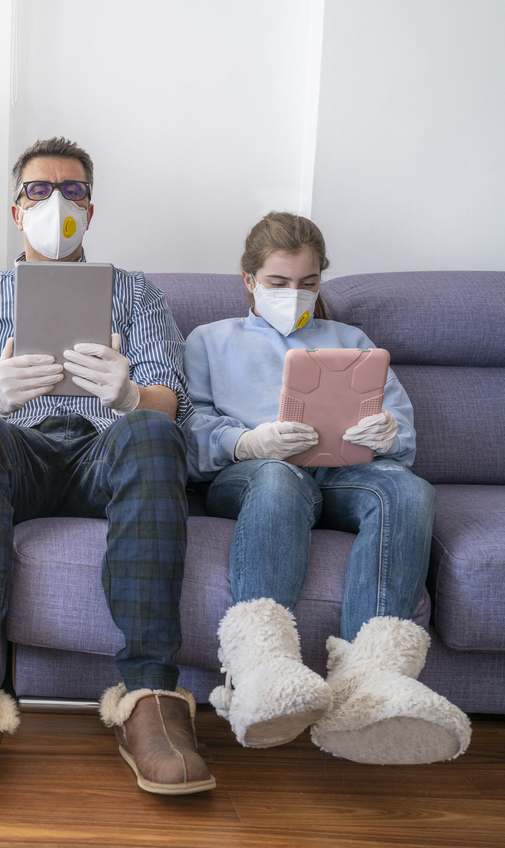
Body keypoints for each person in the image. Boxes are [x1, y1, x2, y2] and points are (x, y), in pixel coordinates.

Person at [0, 136, 213, 806]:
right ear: (16, 210)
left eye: (71, 190)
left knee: (151, 431)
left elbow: (170, 399)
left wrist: (131, 396)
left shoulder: (136, 294)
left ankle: (149, 698)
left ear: (91, 209)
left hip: (109, 452)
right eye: (39, 191)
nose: (55, 203)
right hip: (16, 452)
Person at [184, 212, 471, 765]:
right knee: (277, 475)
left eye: (308, 283)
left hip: (340, 474)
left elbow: (400, 431)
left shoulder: (352, 341)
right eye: (278, 283)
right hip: (251, 475)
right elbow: (187, 432)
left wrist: (386, 432)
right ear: (248, 279)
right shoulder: (209, 341)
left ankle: (372, 682)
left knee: (408, 491)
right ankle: (262, 666)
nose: (295, 295)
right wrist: (248, 442)